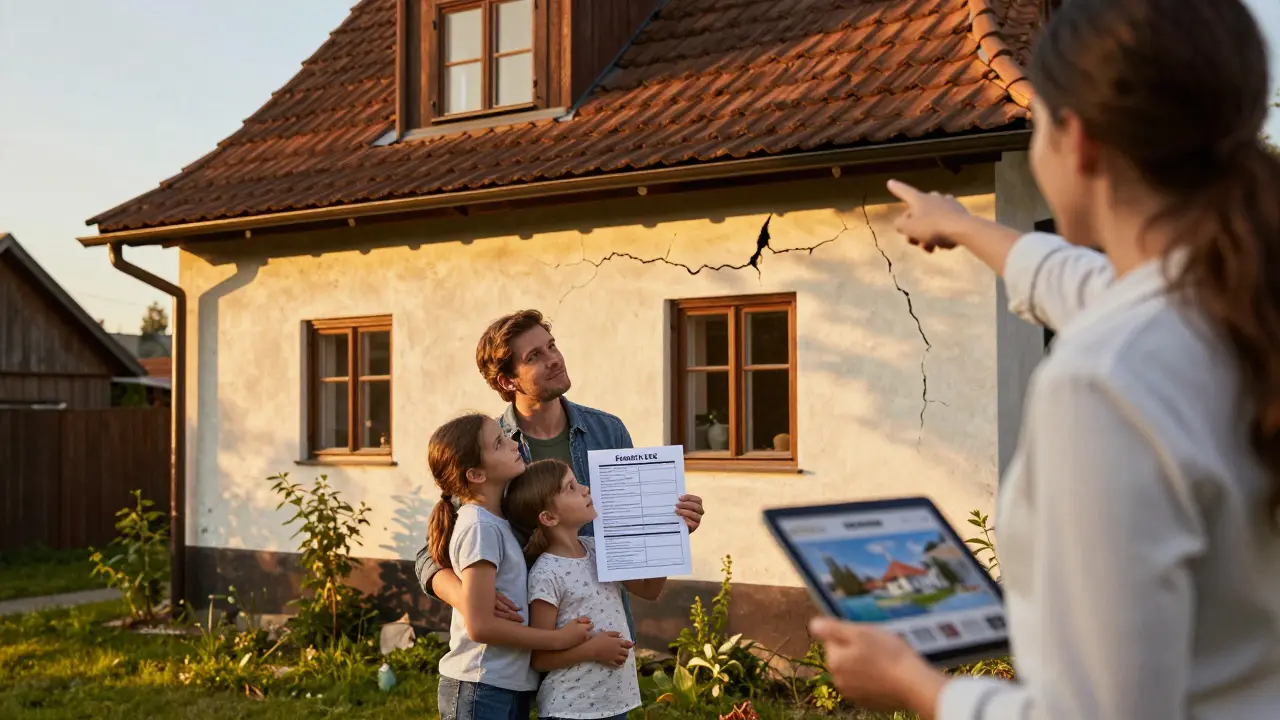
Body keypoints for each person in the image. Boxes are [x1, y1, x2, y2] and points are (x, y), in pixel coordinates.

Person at [809, 0, 1280, 718]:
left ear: (1077, 140)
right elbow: (1083, 284)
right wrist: (963, 225)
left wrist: (918, 685)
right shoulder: (1238, 307)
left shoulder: (1102, 381)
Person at [417, 309, 705, 633]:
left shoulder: (608, 432)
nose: (553, 359)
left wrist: (670, 529)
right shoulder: (489, 449)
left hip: (607, 631)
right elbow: (430, 556)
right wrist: (472, 602)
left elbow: (637, 568)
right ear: (507, 381)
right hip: (528, 638)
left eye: (552, 346)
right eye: (535, 356)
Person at [426, 414, 593, 720]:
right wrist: (558, 640)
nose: (513, 444)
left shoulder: (494, 523)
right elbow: (480, 626)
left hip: (502, 684)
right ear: (476, 474)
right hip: (480, 685)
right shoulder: (480, 527)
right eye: (499, 444)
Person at [503, 459, 664, 720]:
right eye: (571, 487)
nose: (585, 489)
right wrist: (591, 651)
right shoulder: (546, 573)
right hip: (570, 709)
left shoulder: (598, 550)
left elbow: (650, 589)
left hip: (615, 704)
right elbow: (539, 659)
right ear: (549, 517)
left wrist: (671, 537)